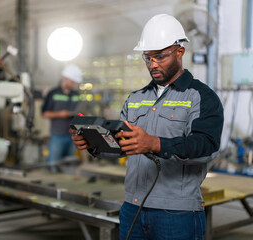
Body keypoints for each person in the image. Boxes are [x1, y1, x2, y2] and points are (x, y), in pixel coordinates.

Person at [69, 14, 224, 240]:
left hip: (177, 212)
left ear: (179, 52)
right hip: (133, 208)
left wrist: (155, 143)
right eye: (147, 57)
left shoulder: (201, 97)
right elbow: (122, 145)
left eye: (159, 57)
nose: (152, 64)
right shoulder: (136, 98)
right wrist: (92, 143)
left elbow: (206, 146)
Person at [42, 64, 82, 171]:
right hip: (57, 135)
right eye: (72, 81)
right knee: (53, 165)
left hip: (72, 135)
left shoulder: (76, 94)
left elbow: (80, 111)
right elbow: (44, 113)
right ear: (65, 78)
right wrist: (60, 114)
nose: (74, 84)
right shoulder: (53, 93)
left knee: (69, 166)